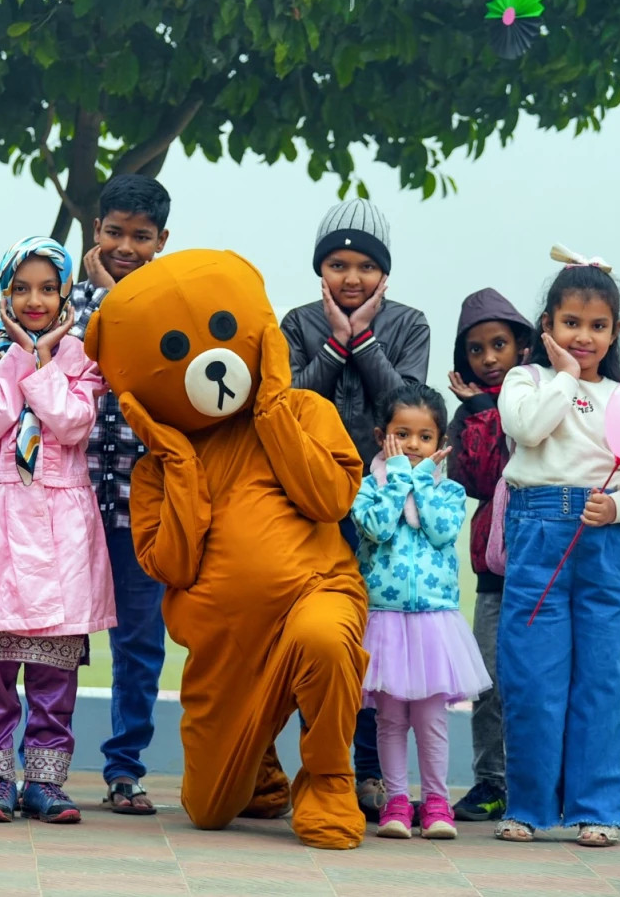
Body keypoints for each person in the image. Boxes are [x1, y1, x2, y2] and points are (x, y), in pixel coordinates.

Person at [83, 248, 370, 849]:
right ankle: (260, 763)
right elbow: (175, 565)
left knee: (324, 639)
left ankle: (328, 783)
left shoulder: (304, 412)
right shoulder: (155, 472)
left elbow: (329, 499)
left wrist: (272, 411)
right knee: (208, 810)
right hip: (226, 649)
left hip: (312, 598)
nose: (210, 364)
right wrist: (178, 460)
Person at [494, 251, 620, 847]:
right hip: (537, 533)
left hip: (606, 542)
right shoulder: (527, 381)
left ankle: (597, 809)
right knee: (533, 677)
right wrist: (566, 375)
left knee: (602, 677)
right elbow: (528, 429)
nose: (584, 336)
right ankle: (528, 807)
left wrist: (619, 507)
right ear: (547, 324)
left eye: (598, 326)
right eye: (571, 322)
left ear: (615, 332)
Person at [0, 237, 115, 824]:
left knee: (54, 674)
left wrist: (46, 359)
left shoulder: (81, 356)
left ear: (65, 292)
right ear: (5, 293)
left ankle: (46, 783)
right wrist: (22, 357)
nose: (35, 300)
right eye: (21, 288)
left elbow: (72, 425)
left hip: (61, 524)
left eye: (48, 288)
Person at [279, 198, 429, 818]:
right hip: (308, 504)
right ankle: (317, 765)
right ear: (320, 268)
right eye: (338, 264)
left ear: (384, 273)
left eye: (366, 266)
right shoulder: (296, 323)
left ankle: (368, 772)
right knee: (313, 634)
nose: (351, 277)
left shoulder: (410, 324)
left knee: (373, 637)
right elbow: (289, 401)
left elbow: (405, 405)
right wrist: (335, 346)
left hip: (382, 508)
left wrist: (361, 338)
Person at [66, 173, 172, 814]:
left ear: (163, 240)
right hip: (68, 502)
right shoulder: (65, 304)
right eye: (114, 233)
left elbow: (157, 371)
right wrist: (104, 298)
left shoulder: (175, 310)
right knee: (54, 640)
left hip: (143, 505)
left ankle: (125, 770)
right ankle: (39, 768)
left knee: (139, 642)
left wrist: (118, 297)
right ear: (95, 231)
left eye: (141, 236)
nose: (126, 247)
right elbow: (74, 364)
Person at [352, 383, 491, 840]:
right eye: (402, 434)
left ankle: (436, 803)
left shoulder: (449, 491)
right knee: (389, 720)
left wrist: (421, 482)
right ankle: (395, 801)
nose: (413, 445)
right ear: (382, 436)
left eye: (425, 436)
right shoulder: (369, 488)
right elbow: (375, 529)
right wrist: (396, 478)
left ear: (440, 442)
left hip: (433, 624)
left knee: (430, 721)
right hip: (385, 622)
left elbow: (440, 531)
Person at [444, 288, 533, 822]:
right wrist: (480, 411)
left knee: (537, 680)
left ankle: (538, 784)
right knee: (489, 682)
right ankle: (491, 784)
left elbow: (525, 459)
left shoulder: (543, 393)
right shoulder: (468, 414)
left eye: (499, 344)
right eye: (475, 350)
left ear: (523, 345)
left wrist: (494, 410)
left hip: (546, 561)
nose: (489, 358)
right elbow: (479, 479)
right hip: (495, 566)